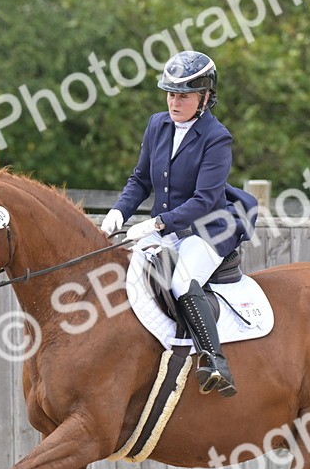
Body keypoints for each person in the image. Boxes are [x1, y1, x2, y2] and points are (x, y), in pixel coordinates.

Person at [101, 51, 258, 398]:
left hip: (208, 229)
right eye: (171, 94)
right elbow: (140, 179)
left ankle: (216, 362)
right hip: (168, 228)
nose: (174, 101)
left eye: (183, 95)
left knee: (183, 282)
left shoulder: (217, 138)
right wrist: (119, 212)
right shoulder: (158, 124)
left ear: (204, 97)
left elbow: (204, 200)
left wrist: (157, 223)